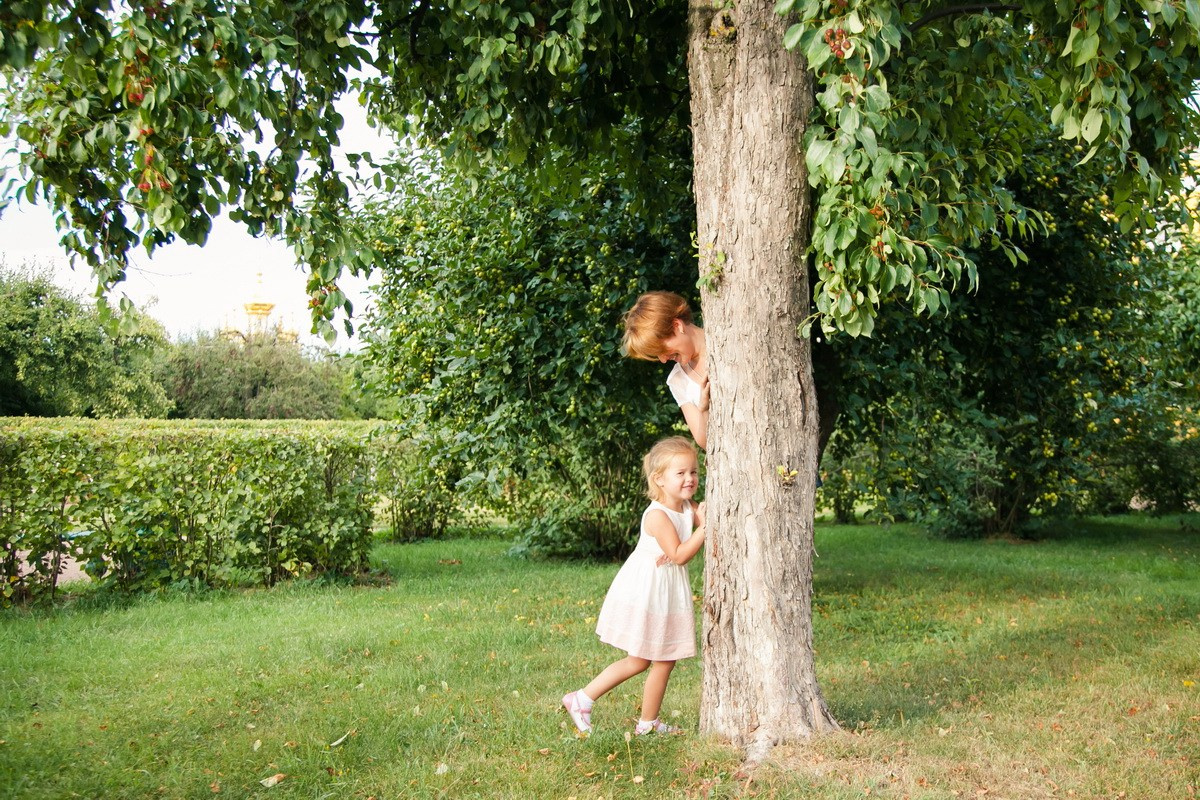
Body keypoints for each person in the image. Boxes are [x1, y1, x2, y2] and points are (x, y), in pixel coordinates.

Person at [562, 436, 707, 736]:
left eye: (693, 471)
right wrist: (705, 527)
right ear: (659, 479)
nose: (689, 478)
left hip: (666, 589)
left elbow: (688, 529)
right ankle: (586, 699)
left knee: (659, 660)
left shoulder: (683, 505)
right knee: (645, 659)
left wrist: (700, 516)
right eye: (680, 473)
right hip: (650, 591)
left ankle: (641, 720)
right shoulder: (657, 514)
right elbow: (679, 555)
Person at [622, 291, 710, 450]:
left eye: (662, 349)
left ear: (677, 326)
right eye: (657, 355)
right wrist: (704, 409)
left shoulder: (726, 339)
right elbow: (704, 443)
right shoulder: (678, 380)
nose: (663, 360)